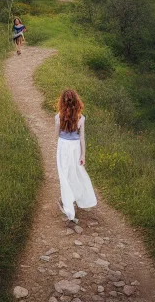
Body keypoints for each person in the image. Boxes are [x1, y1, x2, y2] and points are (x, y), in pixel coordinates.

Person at [55, 89, 97, 223]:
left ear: (62, 102)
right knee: (77, 172)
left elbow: (56, 136)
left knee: (64, 175)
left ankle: (68, 204)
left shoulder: (58, 117)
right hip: (75, 147)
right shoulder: (81, 118)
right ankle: (82, 198)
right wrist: (83, 155)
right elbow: (82, 138)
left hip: (63, 146)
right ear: (76, 102)